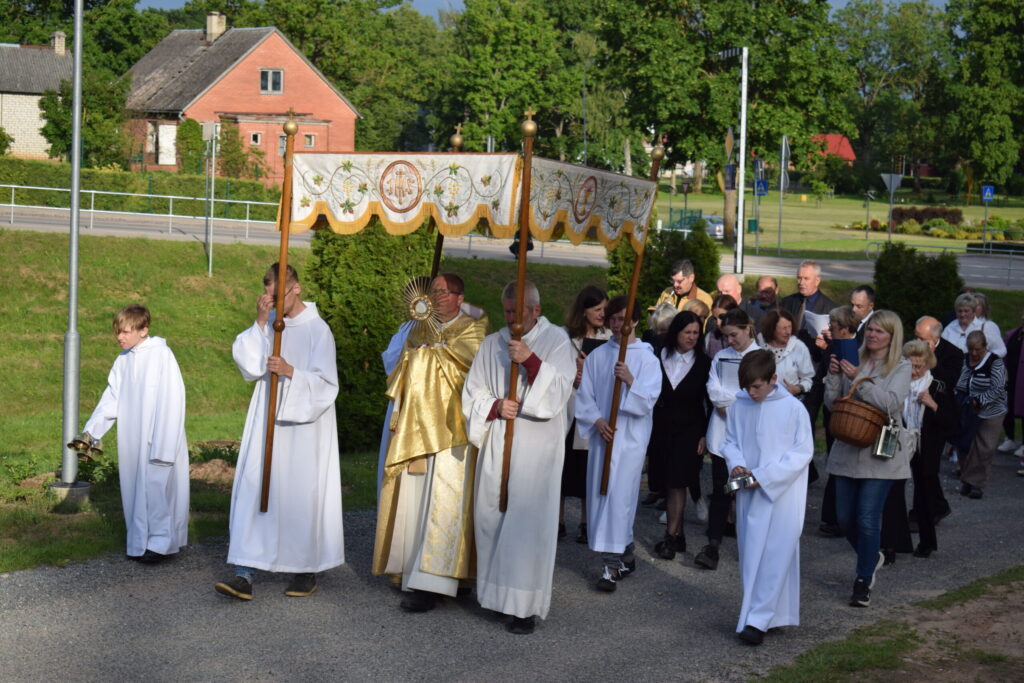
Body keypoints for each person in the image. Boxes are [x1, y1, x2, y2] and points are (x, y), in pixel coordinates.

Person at [215, 264, 343, 601]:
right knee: (256, 487)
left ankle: (304, 569)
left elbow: (327, 386)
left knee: (300, 494)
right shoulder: (271, 325)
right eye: (267, 294)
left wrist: (291, 372)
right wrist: (260, 323)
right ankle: (245, 571)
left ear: (296, 289)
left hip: (304, 430)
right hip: (267, 421)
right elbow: (249, 366)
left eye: (277, 294)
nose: (271, 301)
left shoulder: (318, 330)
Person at [463, 281, 577, 634]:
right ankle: (498, 598)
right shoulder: (492, 343)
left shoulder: (556, 340)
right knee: (492, 517)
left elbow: (560, 390)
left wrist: (529, 360)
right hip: (499, 440)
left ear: (536, 311)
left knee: (527, 525)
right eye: (507, 311)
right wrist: (496, 406)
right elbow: (473, 391)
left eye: (518, 312)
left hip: (537, 446)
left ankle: (524, 608)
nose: (511, 318)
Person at [372, 273, 488, 612]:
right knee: (415, 500)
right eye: (432, 291)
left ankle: (437, 581)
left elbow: (471, 370)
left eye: (442, 292)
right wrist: (417, 352)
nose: (434, 297)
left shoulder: (473, 328)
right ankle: (413, 570)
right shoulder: (416, 328)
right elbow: (396, 367)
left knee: (445, 504)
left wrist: (429, 354)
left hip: (452, 429)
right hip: (416, 425)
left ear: (459, 297)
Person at [80, 305, 188, 564]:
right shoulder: (123, 360)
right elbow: (112, 399)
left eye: (126, 332)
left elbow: (173, 398)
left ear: (143, 330)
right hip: (132, 436)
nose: (120, 337)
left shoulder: (161, 355)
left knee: (156, 489)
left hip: (159, 434)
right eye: (117, 332)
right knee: (135, 489)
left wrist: (164, 441)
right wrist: (91, 433)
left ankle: (161, 545)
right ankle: (140, 543)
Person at [721, 350, 814, 646]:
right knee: (752, 554)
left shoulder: (794, 409)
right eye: (747, 387)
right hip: (749, 491)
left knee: (777, 553)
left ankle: (758, 620)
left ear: (773, 378)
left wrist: (766, 475)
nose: (751, 392)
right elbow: (730, 441)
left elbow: (802, 452)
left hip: (782, 493)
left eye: (757, 386)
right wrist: (736, 463)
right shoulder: (740, 405)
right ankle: (766, 614)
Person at [824, 310, 911, 608]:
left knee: (867, 517)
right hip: (848, 445)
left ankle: (863, 580)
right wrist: (834, 376)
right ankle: (872, 556)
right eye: (870, 330)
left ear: (892, 337)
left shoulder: (901, 366)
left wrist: (858, 379)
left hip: (880, 451)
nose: (873, 335)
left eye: (880, 331)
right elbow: (832, 404)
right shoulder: (853, 357)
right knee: (844, 518)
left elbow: (891, 403)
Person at [575, 295, 661, 592]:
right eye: (612, 318)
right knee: (602, 497)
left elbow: (648, 401)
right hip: (604, 438)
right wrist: (597, 420)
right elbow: (584, 395)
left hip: (630, 441)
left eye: (623, 319)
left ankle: (611, 566)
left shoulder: (647, 359)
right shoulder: (598, 356)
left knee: (620, 499)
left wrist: (630, 380)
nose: (616, 324)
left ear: (634, 321)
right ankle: (624, 553)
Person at [648, 311, 712, 560]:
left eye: (696, 333)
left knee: (678, 482)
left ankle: (670, 537)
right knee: (665, 480)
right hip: (661, 427)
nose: (692, 337)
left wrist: (705, 435)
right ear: (676, 332)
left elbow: (709, 403)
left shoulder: (704, 363)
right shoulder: (658, 356)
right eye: (687, 332)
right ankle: (680, 535)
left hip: (690, 430)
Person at [700, 308, 760, 571]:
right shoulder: (721, 356)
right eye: (726, 336)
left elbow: (757, 395)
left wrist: (731, 403)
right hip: (721, 433)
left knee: (747, 490)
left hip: (750, 436)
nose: (729, 341)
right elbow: (713, 388)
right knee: (720, 490)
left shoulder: (760, 357)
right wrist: (730, 403)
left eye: (734, 335)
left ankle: (751, 547)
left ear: (747, 329)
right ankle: (712, 545)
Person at [560, 285, 611, 544]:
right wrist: (575, 373)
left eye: (604, 309)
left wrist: (588, 374)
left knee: (586, 468)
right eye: (597, 309)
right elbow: (557, 369)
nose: (602, 314)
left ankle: (585, 520)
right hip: (568, 408)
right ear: (584, 311)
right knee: (563, 466)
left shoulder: (608, 337)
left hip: (592, 410)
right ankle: (558, 520)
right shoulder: (565, 337)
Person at [901, 340, 957, 558]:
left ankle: (927, 542)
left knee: (923, 494)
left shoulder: (937, 385)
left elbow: (951, 421)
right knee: (893, 491)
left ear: (928, 364)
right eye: (911, 366)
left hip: (927, 445)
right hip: (901, 441)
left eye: (919, 366)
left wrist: (933, 404)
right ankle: (893, 542)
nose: (915, 371)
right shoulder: (899, 383)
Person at [780, 260, 837, 439]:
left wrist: (826, 346)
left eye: (806, 278)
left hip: (814, 370)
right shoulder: (787, 303)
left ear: (817, 281)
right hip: (787, 369)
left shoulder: (830, 308)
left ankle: (806, 455)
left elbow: (837, 345)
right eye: (799, 278)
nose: (801, 282)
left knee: (806, 420)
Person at [816, 306, 860, 538]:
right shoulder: (833, 347)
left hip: (855, 413)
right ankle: (832, 517)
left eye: (833, 326)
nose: (829, 330)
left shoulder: (861, 347)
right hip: (835, 410)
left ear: (843, 328)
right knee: (835, 461)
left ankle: (844, 517)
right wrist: (832, 372)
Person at [955, 330, 1008, 499]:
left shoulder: (995, 362)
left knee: (985, 447)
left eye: (977, 349)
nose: (974, 353)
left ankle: (976, 484)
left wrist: (980, 400)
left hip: (992, 411)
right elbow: (959, 382)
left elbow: (998, 388)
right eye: (971, 349)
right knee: (965, 444)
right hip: (967, 409)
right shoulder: (964, 360)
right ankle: (966, 479)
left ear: (985, 346)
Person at [758, 309, 814, 403]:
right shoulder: (759, 342)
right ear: (772, 329)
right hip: (761, 400)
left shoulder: (799, 347)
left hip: (788, 402)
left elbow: (808, 379)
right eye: (784, 328)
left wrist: (798, 388)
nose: (788, 332)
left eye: (790, 327)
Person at [941, 293, 1006, 357]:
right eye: (960, 311)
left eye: (966, 311)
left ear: (973, 312)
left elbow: (1001, 350)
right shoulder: (950, 327)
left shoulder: (986, 327)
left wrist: (986, 359)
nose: (962, 314)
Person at [996, 311, 1024, 458]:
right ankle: (1010, 438)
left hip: (1022, 379)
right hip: (1010, 377)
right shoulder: (1014, 334)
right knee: (1006, 407)